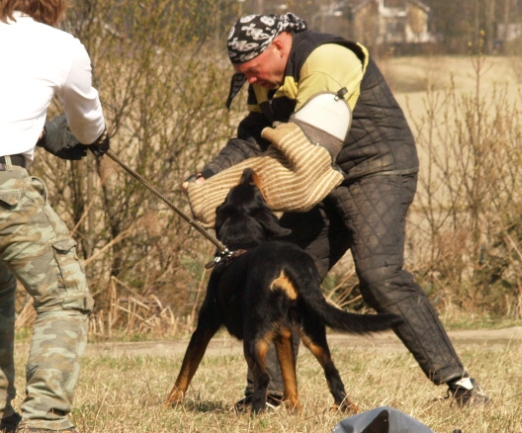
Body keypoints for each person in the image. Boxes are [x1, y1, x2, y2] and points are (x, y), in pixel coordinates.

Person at [185, 13, 488, 409]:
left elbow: (308, 146)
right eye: (244, 75)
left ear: (279, 45)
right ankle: (269, 394)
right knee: (273, 270)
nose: (252, 80)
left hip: (375, 170)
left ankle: (461, 386)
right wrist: (208, 176)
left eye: (254, 71)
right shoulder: (267, 80)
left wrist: (248, 184)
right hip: (321, 180)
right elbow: (253, 135)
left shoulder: (327, 58)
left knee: (380, 275)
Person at [0, 0, 110, 432]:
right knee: (64, 298)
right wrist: (90, 136)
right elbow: (88, 126)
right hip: (6, 186)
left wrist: (38, 132)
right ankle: (44, 422)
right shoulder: (59, 45)